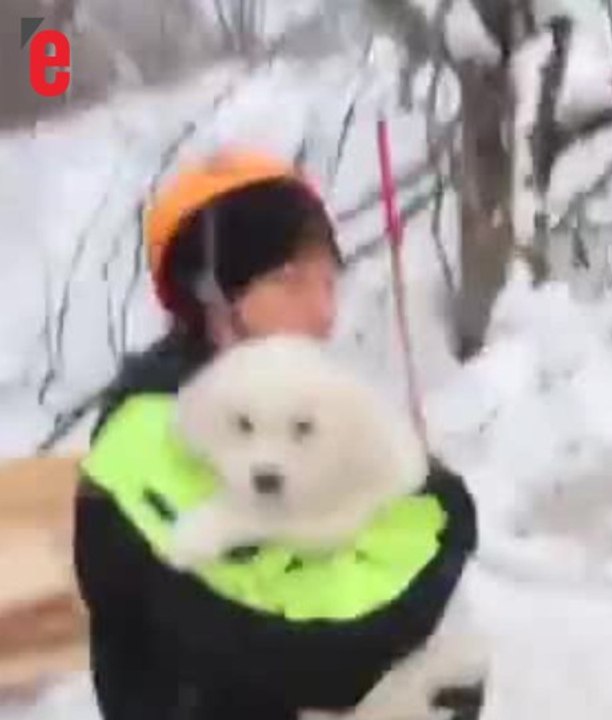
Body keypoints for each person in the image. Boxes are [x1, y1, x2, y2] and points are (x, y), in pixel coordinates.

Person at [72, 151, 481, 720]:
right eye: (290, 283)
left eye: (330, 285)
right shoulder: (154, 435)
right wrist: (445, 514)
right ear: (211, 292)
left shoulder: (281, 406)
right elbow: (314, 644)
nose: (323, 315)